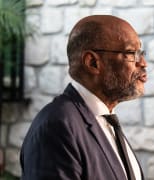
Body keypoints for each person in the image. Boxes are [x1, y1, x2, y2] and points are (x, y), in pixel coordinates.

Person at [20, 15, 147, 180]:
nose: (143, 63)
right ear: (93, 62)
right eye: (132, 53)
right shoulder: (57, 126)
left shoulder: (105, 121)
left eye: (141, 53)